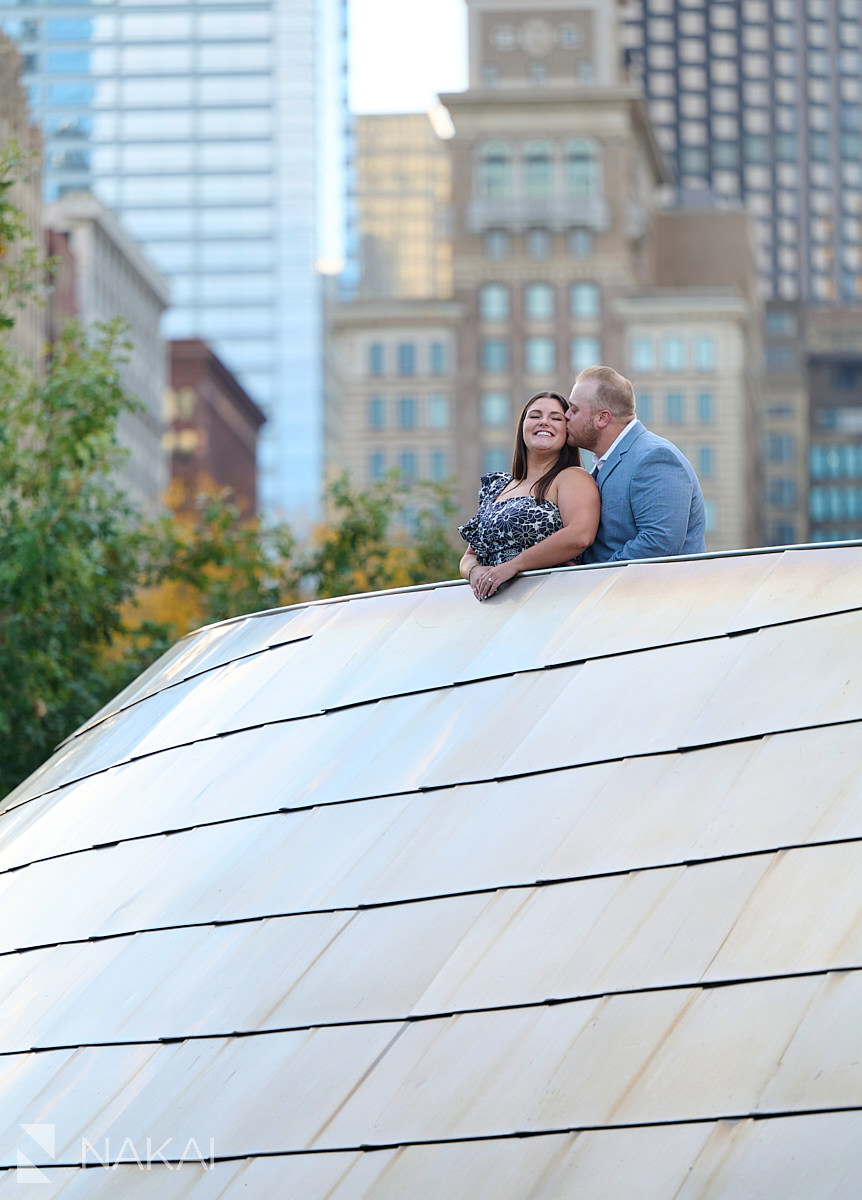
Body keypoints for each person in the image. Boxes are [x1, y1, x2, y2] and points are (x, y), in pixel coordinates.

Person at [459, 391, 600, 601]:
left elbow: (580, 535)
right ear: (522, 427)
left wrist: (515, 565)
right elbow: (469, 556)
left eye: (556, 418)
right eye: (535, 416)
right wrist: (474, 572)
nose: (544, 422)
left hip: (547, 601)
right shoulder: (498, 487)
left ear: (567, 430)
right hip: (494, 610)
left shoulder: (571, 477)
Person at [566, 365, 706, 563]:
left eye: (574, 409)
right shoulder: (604, 465)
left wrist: (590, 576)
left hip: (654, 592)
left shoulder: (655, 457)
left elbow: (659, 543)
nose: (565, 416)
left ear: (602, 418)